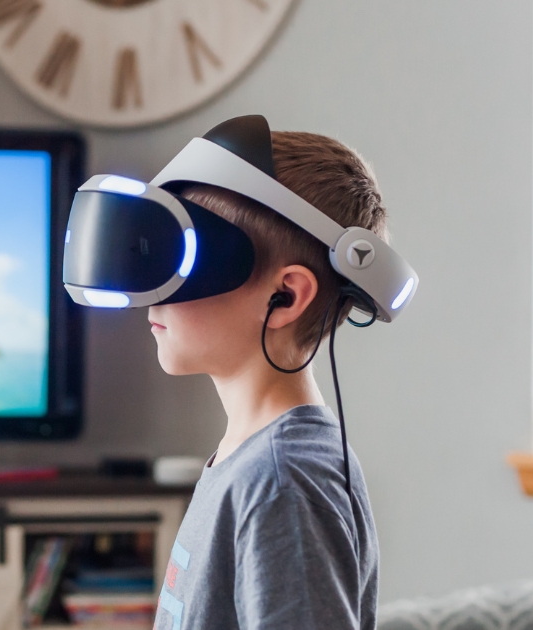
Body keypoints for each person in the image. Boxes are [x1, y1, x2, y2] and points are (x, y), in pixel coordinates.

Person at [150, 130, 385, 629]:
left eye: (185, 261)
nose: (154, 289)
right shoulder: (251, 459)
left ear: (286, 296)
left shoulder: (282, 482)